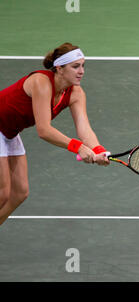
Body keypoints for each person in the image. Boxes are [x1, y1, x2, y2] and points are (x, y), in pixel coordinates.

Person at [0, 42, 110, 226]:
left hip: (9, 132)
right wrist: (78, 148)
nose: (81, 71)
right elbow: (44, 130)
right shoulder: (41, 82)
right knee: (3, 192)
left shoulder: (76, 93)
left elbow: (84, 129)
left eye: (83, 65)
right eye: (75, 66)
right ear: (59, 68)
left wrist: (98, 150)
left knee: (20, 193)